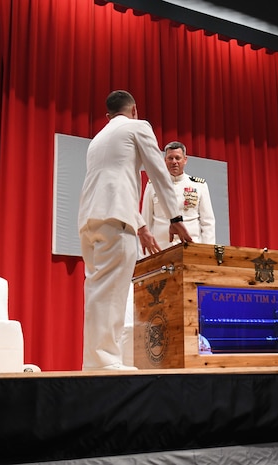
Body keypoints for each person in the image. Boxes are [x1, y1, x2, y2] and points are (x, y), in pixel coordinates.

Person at [78, 90, 193, 371]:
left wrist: (142, 226)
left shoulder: (97, 140)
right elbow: (159, 173)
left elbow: (116, 181)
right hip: (116, 220)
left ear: (108, 116)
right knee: (113, 292)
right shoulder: (138, 127)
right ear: (134, 110)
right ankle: (106, 362)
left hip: (89, 220)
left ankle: (94, 362)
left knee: (96, 292)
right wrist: (175, 216)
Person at [141, 141, 216, 252]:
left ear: (185, 160)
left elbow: (207, 222)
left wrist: (207, 252)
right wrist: (145, 255)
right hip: (161, 249)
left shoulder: (199, 185)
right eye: (170, 158)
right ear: (165, 160)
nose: (174, 162)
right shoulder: (154, 185)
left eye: (178, 158)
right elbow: (146, 221)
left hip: (191, 248)